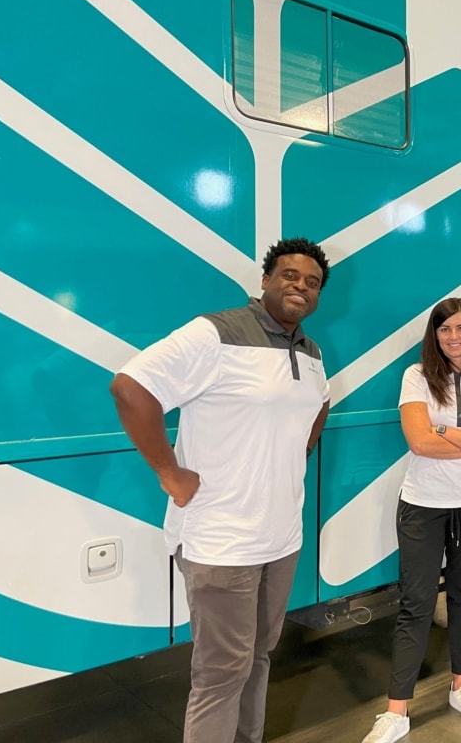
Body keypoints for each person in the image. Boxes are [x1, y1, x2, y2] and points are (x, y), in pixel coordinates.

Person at [109, 237, 331, 743]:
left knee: (258, 656)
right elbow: (130, 387)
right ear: (266, 280)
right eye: (290, 276)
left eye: (312, 282)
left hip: (281, 539)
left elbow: (320, 402)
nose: (300, 286)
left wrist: (295, 455)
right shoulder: (217, 332)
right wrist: (169, 472)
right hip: (222, 539)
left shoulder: (311, 352)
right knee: (222, 672)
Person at [362, 298, 461, 743]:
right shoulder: (417, 377)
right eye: (445, 330)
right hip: (423, 504)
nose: (454, 337)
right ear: (435, 335)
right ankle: (397, 712)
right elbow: (419, 442)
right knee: (417, 603)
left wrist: (443, 431)